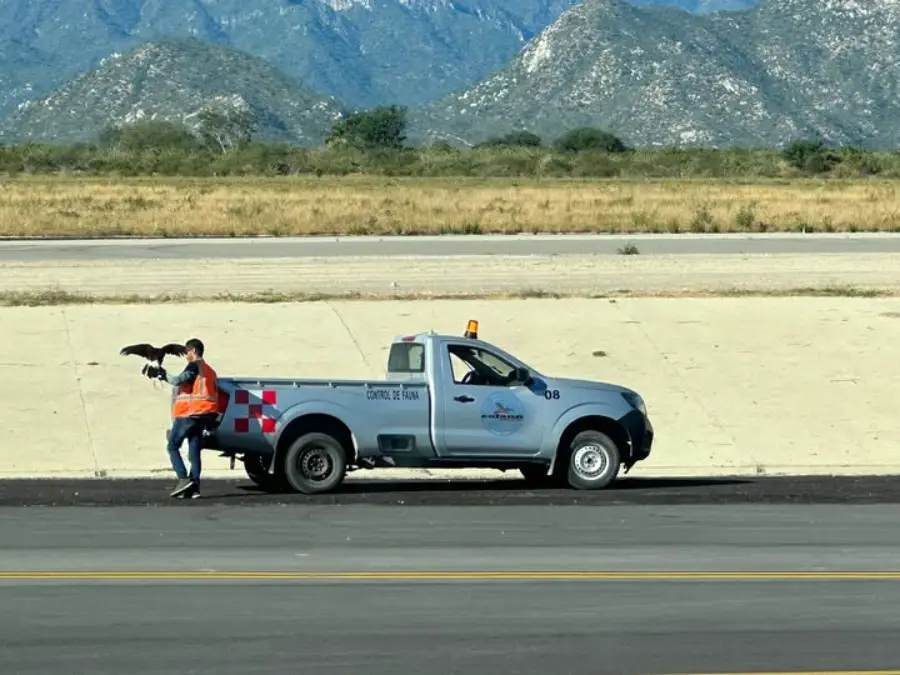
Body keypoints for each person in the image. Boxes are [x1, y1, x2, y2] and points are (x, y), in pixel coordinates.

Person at [146, 337, 220, 499]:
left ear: (193, 351)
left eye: (187, 352)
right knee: (194, 449)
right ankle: (194, 488)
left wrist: (162, 373)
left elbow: (178, 380)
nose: (185, 356)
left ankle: (183, 479)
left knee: (172, 446)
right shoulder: (210, 370)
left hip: (190, 413)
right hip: (205, 414)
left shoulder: (194, 366)